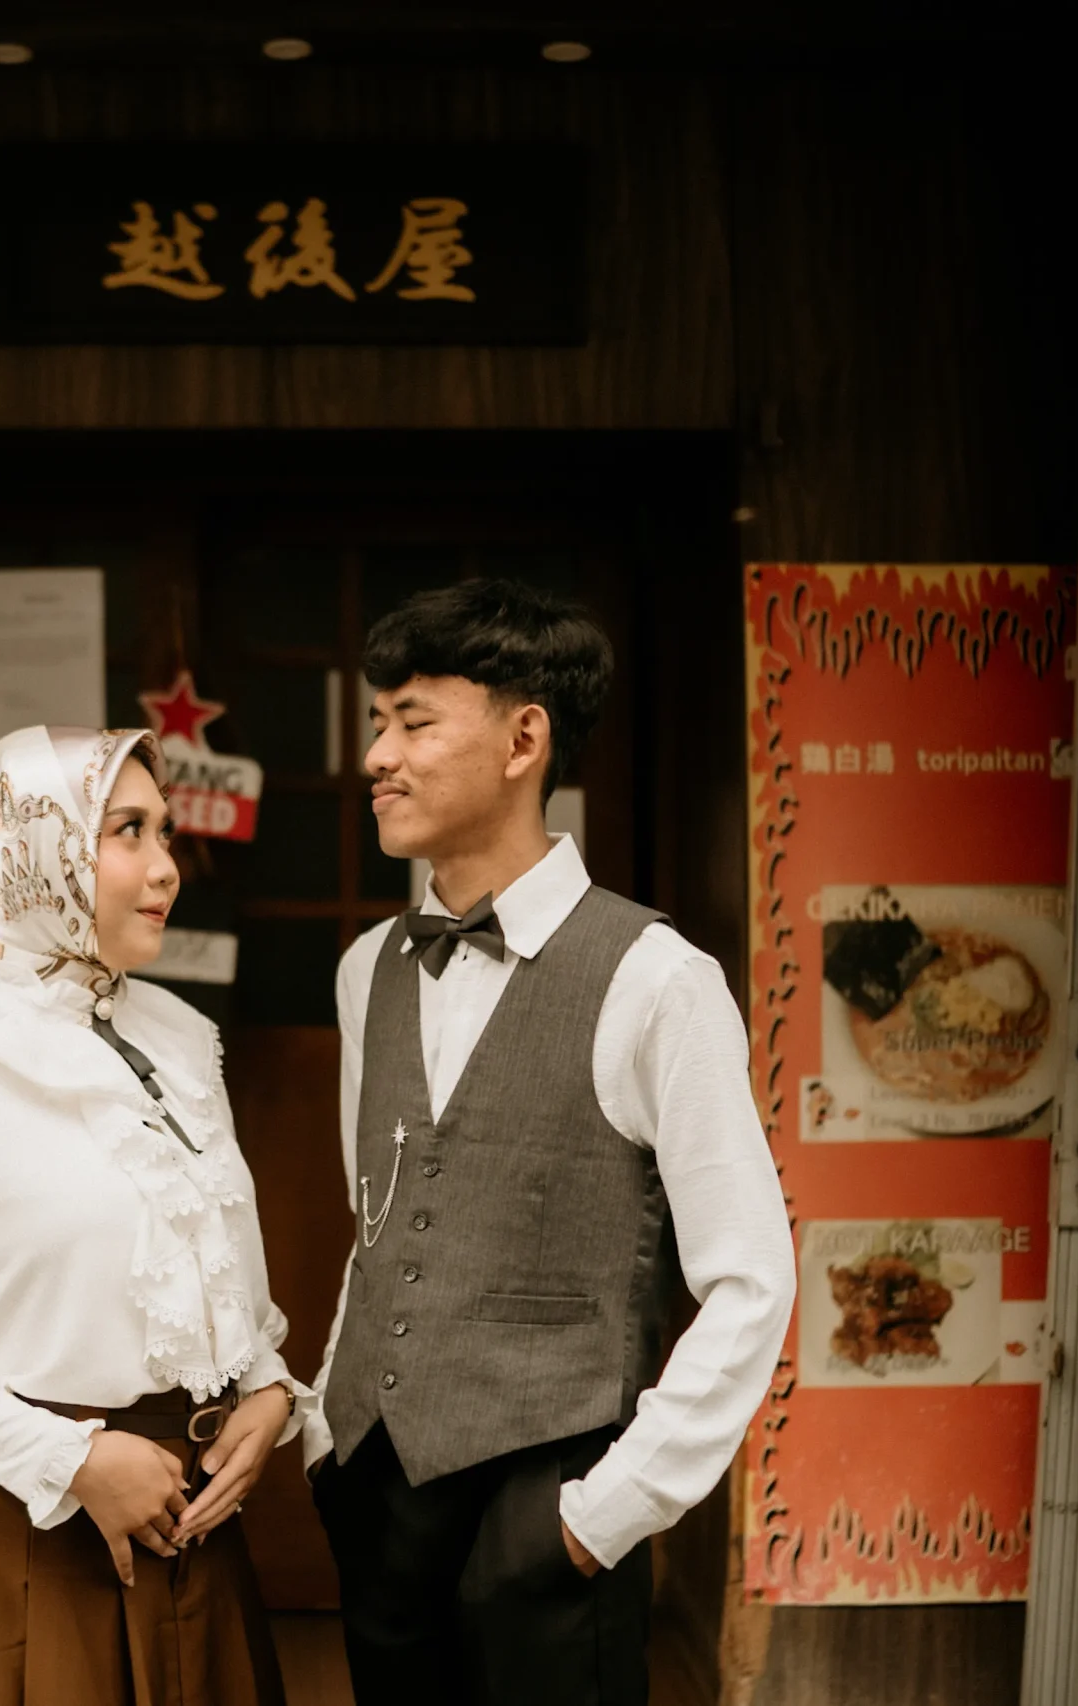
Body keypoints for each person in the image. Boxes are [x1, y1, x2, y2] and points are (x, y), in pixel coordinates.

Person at [306, 579, 796, 1705]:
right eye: (377, 722)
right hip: (376, 1491)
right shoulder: (365, 969)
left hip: (550, 1502)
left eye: (413, 721)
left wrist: (606, 1512)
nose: (377, 755)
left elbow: (751, 1279)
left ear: (523, 739)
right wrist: (326, 1435)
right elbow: (378, 1223)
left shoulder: (657, 979)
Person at [0, 723, 309, 1706]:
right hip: (14, 1548)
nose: (165, 867)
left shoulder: (177, 1043)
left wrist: (268, 1393)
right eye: (127, 830)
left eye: (165, 833)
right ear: (26, 847)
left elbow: (220, 1284)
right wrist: (70, 1457)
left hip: (196, 1549)